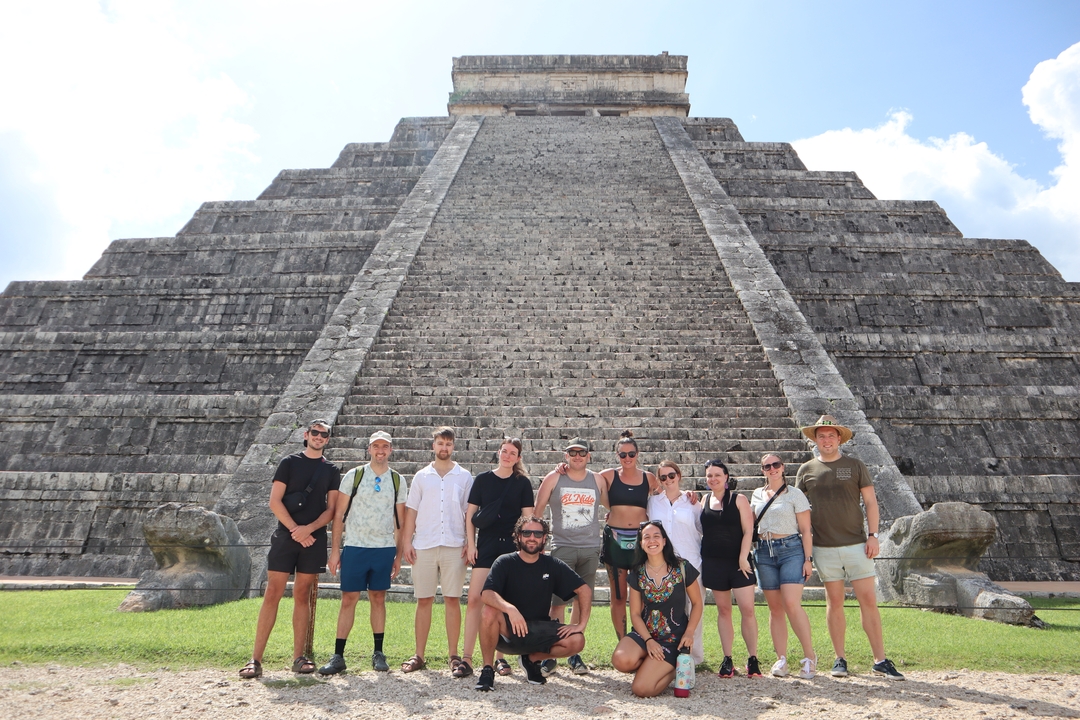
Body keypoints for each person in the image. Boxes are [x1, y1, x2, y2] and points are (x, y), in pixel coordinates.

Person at [794, 415, 905, 681]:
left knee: (868, 601)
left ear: (839, 438)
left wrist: (873, 535)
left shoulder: (855, 466)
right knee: (834, 602)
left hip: (857, 543)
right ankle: (839, 658)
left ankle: (880, 659)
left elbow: (871, 502)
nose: (827, 440)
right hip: (824, 547)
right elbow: (796, 508)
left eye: (831, 435)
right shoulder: (806, 470)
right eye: (821, 436)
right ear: (815, 439)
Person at [239, 419, 341, 679]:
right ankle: (255, 659)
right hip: (287, 536)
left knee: (302, 595)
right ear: (306, 435)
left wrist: (308, 530)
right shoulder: (289, 462)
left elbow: (331, 509)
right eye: (315, 432)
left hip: (313, 538)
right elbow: (274, 501)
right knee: (272, 592)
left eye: (324, 434)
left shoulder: (331, 469)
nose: (319, 437)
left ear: (328, 439)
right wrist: (297, 529)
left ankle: (299, 657)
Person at [318, 430, 407, 675]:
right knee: (348, 599)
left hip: (383, 548)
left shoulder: (397, 480)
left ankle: (378, 652)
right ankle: (338, 655)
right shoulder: (354, 475)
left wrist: (398, 556)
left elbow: (400, 522)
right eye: (376, 446)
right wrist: (335, 551)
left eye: (385, 446)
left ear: (390, 450)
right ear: (369, 449)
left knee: (378, 598)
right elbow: (338, 516)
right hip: (356, 546)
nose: (380, 451)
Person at [475, 516, 592, 691]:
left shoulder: (552, 565)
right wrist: (510, 609)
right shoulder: (504, 561)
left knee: (577, 641)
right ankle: (487, 669)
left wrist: (581, 624)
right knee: (488, 611)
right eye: (527, 532)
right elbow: (486, 594)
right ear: (518, 536)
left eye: (537, 533)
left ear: (544, 538)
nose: (532, 537)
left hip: (538, 631)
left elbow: (584, 590)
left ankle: (531, 660)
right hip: (508, 630)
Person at [400, 427, 474, 676]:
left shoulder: (464, 476)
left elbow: (469, 513)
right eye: (440, 443)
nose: (444, 448)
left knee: (452, 599)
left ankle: (453, 655)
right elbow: (412, 511)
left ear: (454, 447)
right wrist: (406, 542)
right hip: (424, 544)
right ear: (433, 445)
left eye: (448, 444)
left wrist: (469, 541)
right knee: (424, 600)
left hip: (454, 544)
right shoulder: (422, 476)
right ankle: (419, 654)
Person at [461, 437, 535, 679]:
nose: (507, 456)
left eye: (512, 453)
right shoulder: (483, 479)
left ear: (518, 458)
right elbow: (471, 514)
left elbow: (527, 520)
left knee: (503, 602)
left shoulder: (522, 483)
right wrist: (471, 544)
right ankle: (467, 658)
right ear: (499, 452)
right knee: (474, 599)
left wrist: (525, 549)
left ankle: (500, 658)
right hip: (486, 545)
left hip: (511, 548)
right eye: (504, 451)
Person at [533, 437, 606, 677]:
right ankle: (553, 653)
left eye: (581, 453)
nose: (577, 457)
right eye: (572, 453)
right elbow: (538, 510)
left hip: (589, 547)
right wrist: (539, 541)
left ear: (588, 456)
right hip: (562, 546)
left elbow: (614, 504)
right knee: (557, 602)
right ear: (566, 456)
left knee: (582, 601)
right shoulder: (554, 478)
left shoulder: (597, 479)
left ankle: (574, 652)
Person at [611, 520, 703, 698]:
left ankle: (674, 668)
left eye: (656, 536)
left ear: (664, 541)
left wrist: (689, 632)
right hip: (645, 634)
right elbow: (635, 613)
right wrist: (648, 641)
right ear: (641, 543)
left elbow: (698, 603)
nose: (652, 541)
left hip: (672, 637)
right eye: (646, 537)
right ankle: (651, 664)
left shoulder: (682, 567)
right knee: (621, 660)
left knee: (641, 689)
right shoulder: (637, 572)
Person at [751, 453, 816, 679]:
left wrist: (808, 560)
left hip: (791, 549)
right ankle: (782, 659)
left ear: (783, 467)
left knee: (791, 603)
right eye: (767, 466)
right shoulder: (757, 494)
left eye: (776, 464)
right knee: (775, 608)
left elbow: (806, 530)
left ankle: (810, 657)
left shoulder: (795, 494)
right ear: (762, 470)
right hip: (763, 551)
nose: (772, 469)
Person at [700, 458, 761, 678]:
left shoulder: (739, 499)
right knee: (723, 611)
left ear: (726, 477)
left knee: (748, 610)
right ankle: (727, 659)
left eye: (717, 474)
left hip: (739, 564)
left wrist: (743, 557)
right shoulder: (703, 500)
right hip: (714, 563)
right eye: (709, 475)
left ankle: (752, 658)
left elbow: (748, 531)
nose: (713, 478)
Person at [596, 430, 658, 640]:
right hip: (615, 540)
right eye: (623, 455)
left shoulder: (649, 478)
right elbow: (582, 478)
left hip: (642, 541)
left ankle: (642, 640)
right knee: (619, 596)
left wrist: (690, 497)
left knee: (643, 595)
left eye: (631, 454)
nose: (627, 458)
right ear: (617, 456)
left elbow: (668, 497)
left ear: (637, 454)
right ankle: (622, 641)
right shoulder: (607, 476)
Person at [647, 460, 705, 665]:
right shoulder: (652, 502)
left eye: (671, 475)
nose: (668, 480)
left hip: (691, 562)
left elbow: (702, 528)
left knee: (695, 609)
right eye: (663, 477)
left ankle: (694, 657)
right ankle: (667, 654)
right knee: (666, 612)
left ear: (679, 475)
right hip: (663, 566)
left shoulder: (692, 502)